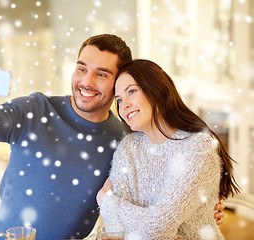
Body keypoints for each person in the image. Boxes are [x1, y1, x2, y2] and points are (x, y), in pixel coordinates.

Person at [0, 34, 225, 239]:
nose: (86, 82)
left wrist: (200, 208)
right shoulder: (35, 109)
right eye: (82, 68)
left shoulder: (125, 138)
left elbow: (164, 185)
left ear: (118, 82)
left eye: (102, 74)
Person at [96, 59, 240, 240]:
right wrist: (153, 226)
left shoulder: (198, 148)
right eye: (118, 100)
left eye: (131, 91)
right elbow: (114, 228)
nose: (123, 105)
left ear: (156, 90)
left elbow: (159, 225)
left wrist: (106, 201)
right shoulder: (128, 148)